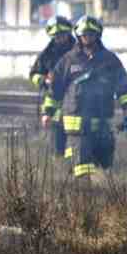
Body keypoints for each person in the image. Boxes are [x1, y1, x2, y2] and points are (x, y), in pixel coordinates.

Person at [42, 15, 127, 178]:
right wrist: (47, 112)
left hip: (102, 127)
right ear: (78, 36)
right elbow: (54, 89)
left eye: (91, 34)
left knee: (105, 170)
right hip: (77, 129)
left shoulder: (109, 60)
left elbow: (124, 87)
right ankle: (84, 198)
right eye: (84, 35)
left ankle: (98, 201)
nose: (88, 38)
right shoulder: (68, 60)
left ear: (98, 35)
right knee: (84, 171)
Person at [30, 16, 75, 156]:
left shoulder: (79, 50)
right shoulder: (47, 54)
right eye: (56, 36)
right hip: (53, 100)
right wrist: (44, 80)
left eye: (62, 35)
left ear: (68, 33)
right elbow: (33, 74)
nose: (59, 38)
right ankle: (60, 162)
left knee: (75, 136)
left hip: (76, 99)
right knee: (57, 136)